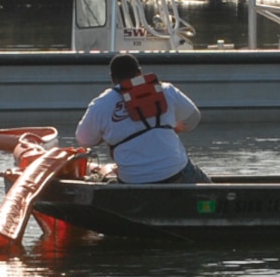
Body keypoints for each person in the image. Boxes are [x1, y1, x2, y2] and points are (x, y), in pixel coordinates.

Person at [75, 53, 208, 183]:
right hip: (175, 173)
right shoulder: (165, 89)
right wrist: (172, 129)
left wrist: (109, 136)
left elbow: (83, 140)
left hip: (132, 180)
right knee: (212, 192)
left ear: (112, 78)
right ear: (140, 73)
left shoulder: (101, 103)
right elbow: (193, 118)